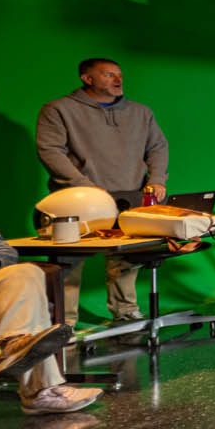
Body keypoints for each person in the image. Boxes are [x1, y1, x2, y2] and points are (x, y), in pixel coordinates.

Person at [35, 58, 168, 327]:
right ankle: (63, 323)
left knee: (125, 259)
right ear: (87, 79)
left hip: (128, 195)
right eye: (108, 75)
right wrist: (81, 184)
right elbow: (50, 150)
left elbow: (157, 147)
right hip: (77, 199)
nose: (118, 80)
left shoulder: (140, 112)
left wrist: (156, 180)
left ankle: (125, 312)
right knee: (68, 262)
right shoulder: (58, 109)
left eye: (119, 75)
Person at [0, 207, 100, 415]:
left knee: (26, 272)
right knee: (31, 307)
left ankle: (14, 345)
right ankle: (42, 393)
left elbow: (5, 250)